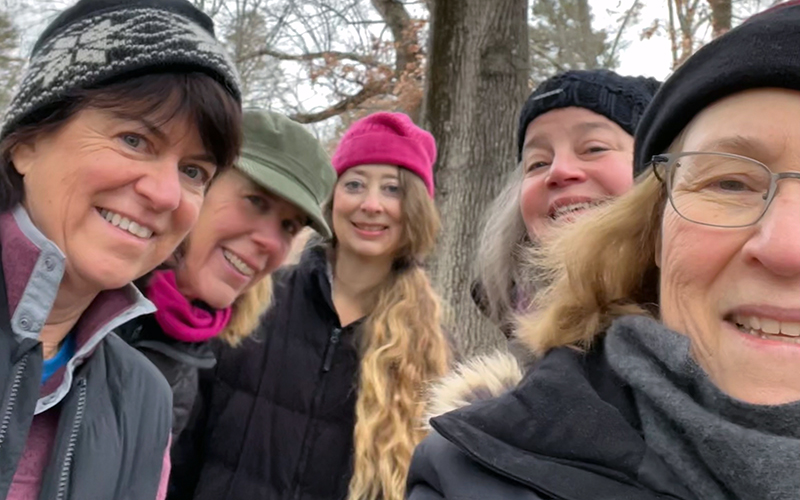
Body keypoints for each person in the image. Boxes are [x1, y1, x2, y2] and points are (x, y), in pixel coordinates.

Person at [407, 3, 800, 499]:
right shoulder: (476, 464)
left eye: (593, 148)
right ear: (653, 223)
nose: (787, 247)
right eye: (729, 183)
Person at [0, 0, 241, 498]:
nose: (166, 194)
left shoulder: (144, 401)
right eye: (134, 139)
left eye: (194, 171)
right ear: (27, 142)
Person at [169, 112, 452, 500]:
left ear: (416, 208)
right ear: (331, 202)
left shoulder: (434, 352)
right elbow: (178, 455)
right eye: (354, 184)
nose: (371, 204)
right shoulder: (250, 301)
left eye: (392, 189)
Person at [118, 108, 335, 439]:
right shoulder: (88, 296)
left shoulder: (193, 356)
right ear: (197, 185)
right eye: (256, 201)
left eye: (288, 226)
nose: (270, 241)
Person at [473, 69, 659, 338]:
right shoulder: (515, 363)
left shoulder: (718, 331)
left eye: (594, 148)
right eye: (538, 163)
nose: (558, 171)